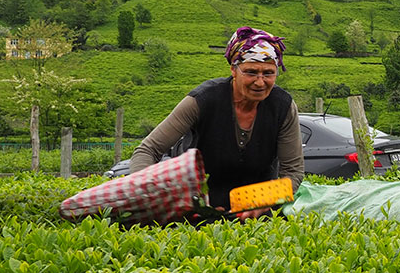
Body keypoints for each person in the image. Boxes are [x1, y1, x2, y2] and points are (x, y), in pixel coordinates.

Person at [130, 27, 304, 219]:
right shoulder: (203, 100)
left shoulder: (282, 106)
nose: (260, 82)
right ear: (233, 70)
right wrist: (150, 196)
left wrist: (267, 201)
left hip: (257, 212)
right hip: (197, 210)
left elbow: (293, 171)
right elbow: (148, 150)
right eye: (251, 72)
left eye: (268, 73)